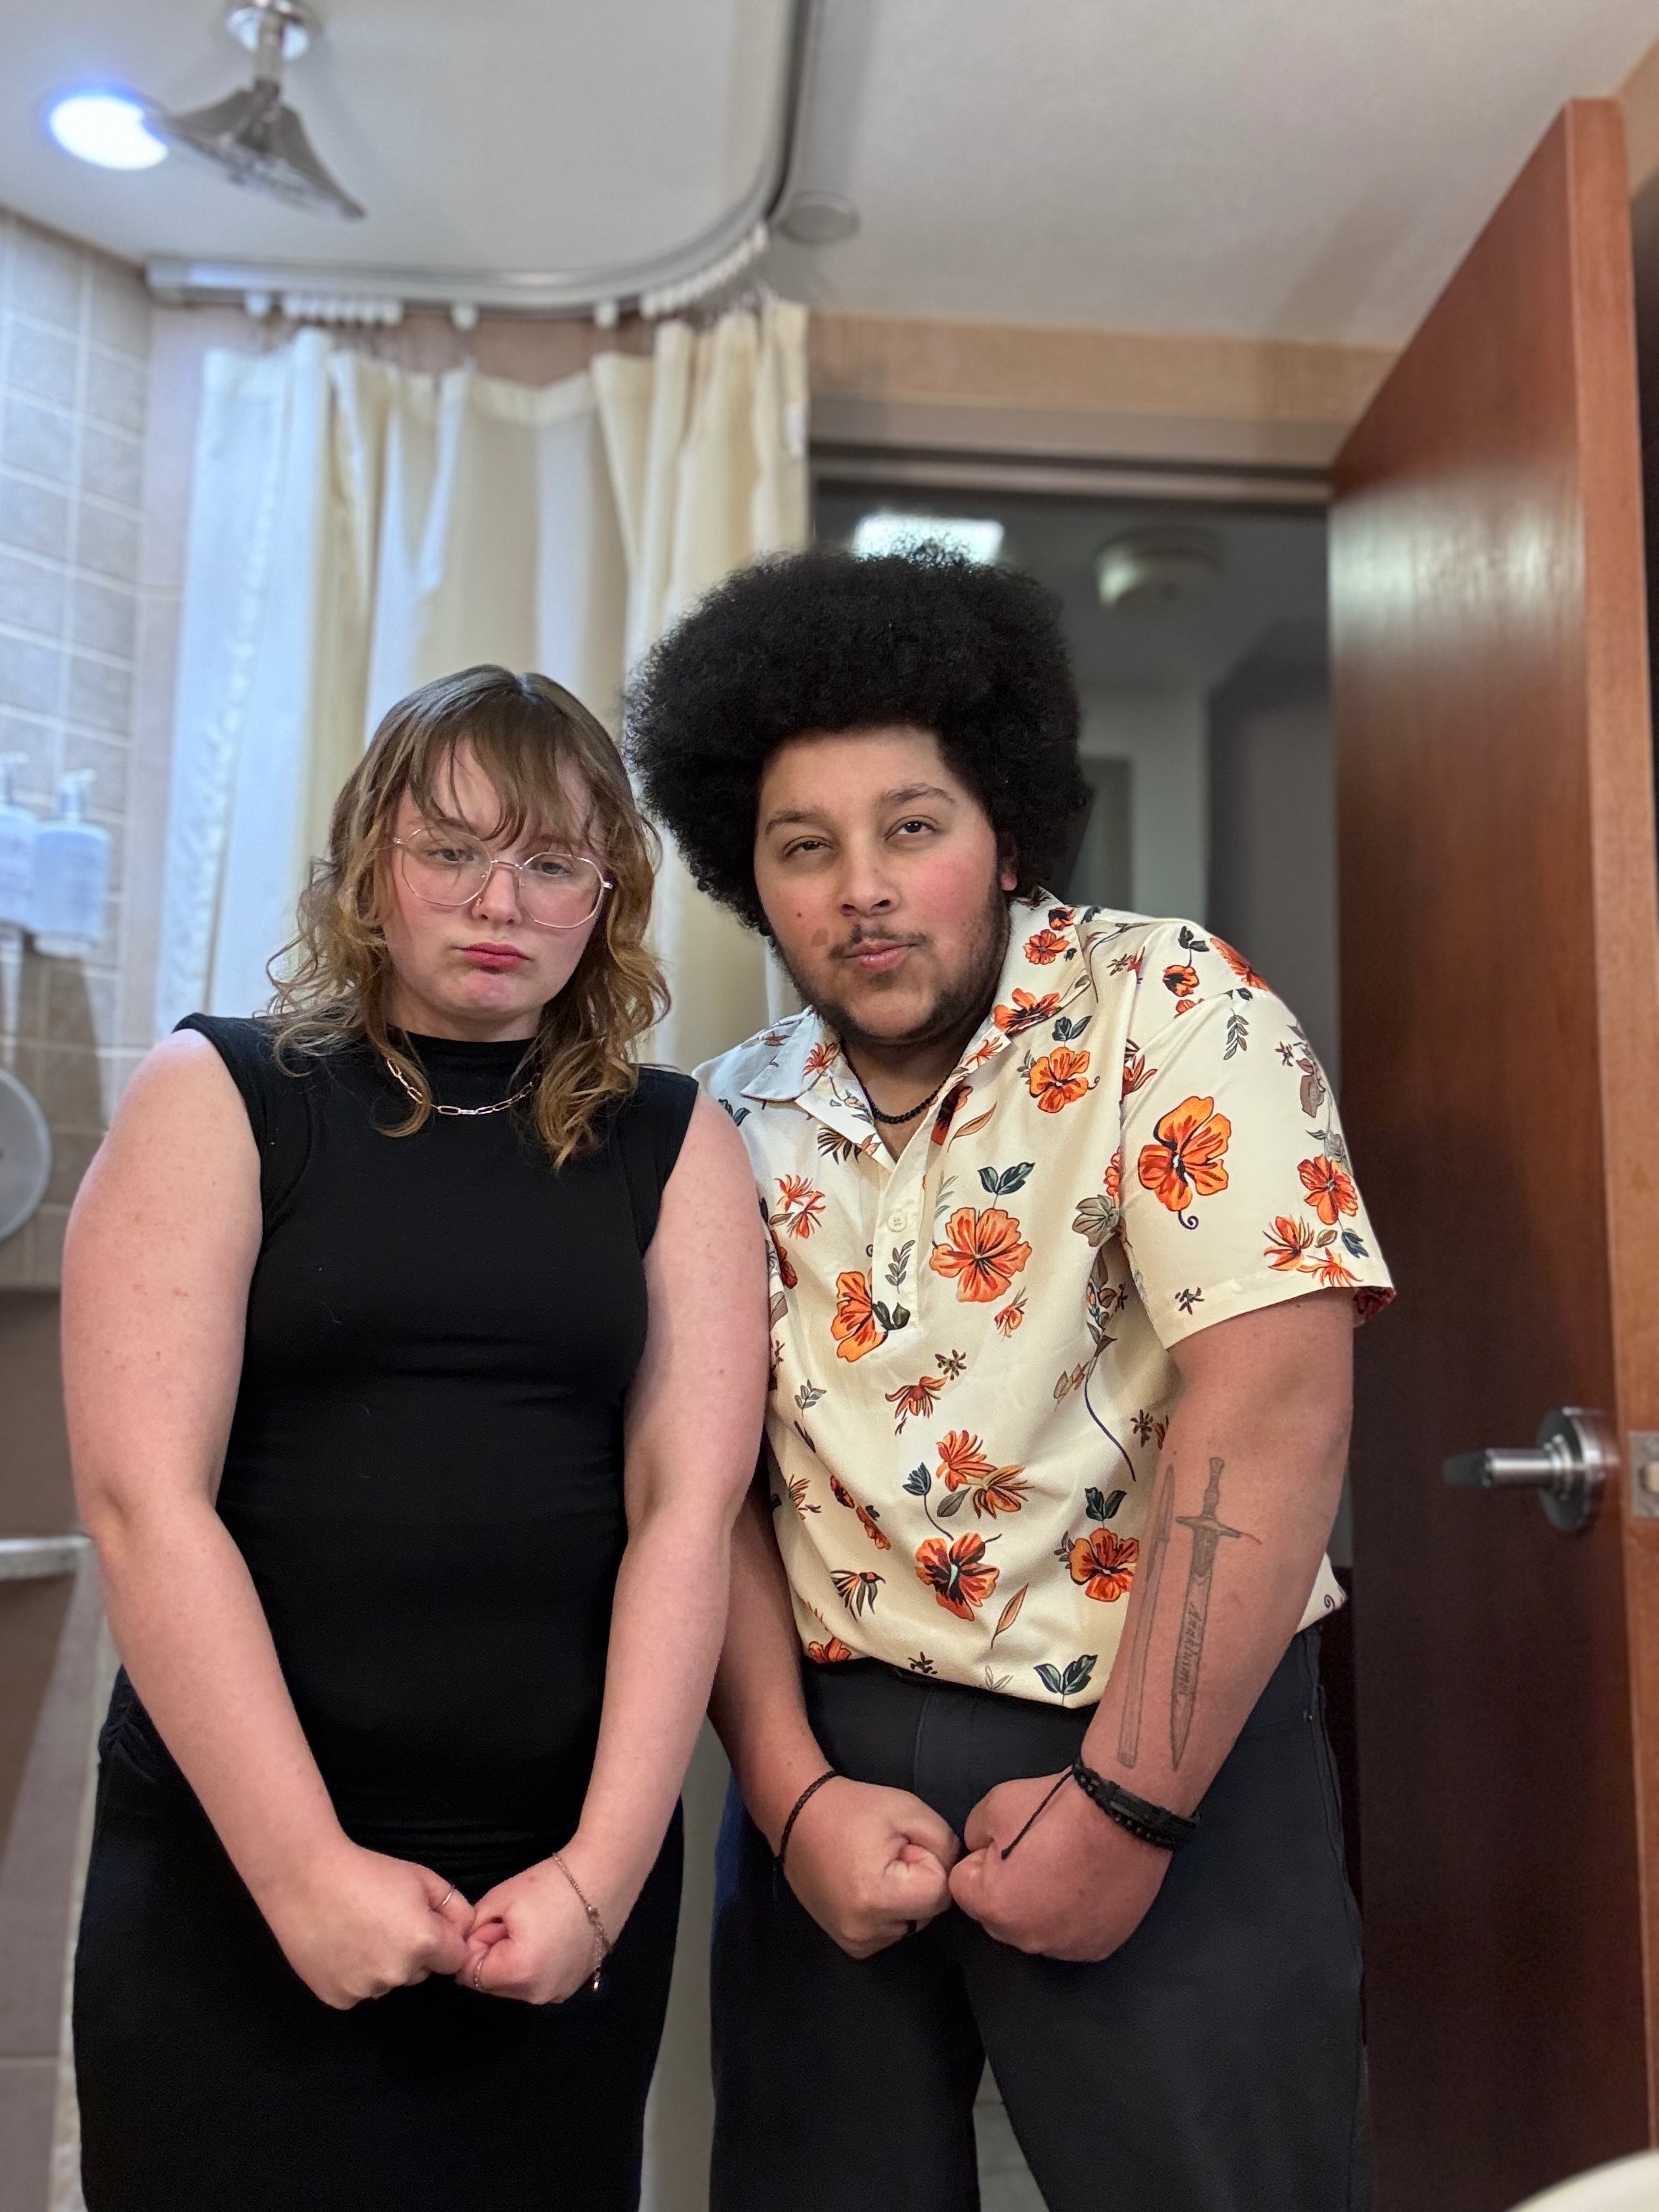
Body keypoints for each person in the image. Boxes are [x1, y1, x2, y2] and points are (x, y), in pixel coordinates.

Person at [625, 549, 1395, 2212]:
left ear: (1010, 832)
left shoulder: (1174, 1011)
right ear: (751, 875)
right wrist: (791, 1795)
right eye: (803, 846)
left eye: (913, 826)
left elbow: (1274, 1405)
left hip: (1168, 1728)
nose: (862, 889)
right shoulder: (717, 1117)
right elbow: (702, 1488)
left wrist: (1129, 1802)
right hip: (829, 1752)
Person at [64, 665, 767, 2212]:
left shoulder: (677, 1140)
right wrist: (302, 1869)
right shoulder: (222, 1092)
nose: (497, 901)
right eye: (450, 850)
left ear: (608, 895)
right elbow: (142, 1503)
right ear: (369, 862)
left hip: (553, 1883)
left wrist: (600, 1877)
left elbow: (687, 1513)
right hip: (234, 1857)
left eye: (552, 862)